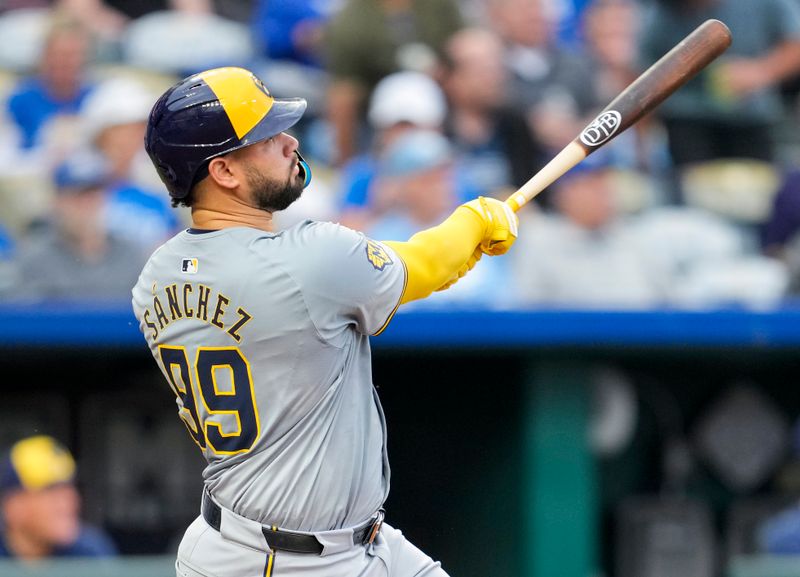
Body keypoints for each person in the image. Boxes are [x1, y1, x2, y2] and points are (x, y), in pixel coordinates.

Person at [131, 66, 518, 577]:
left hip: (297, 539)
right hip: (285, 562)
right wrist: (476, 218)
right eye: (266, 139)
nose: (290, 141)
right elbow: (427, 265)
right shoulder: (308, 258)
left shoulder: (154, 278)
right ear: (224, 172)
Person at [9, 149, 147, 301]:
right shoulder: (34, 259)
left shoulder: (129, 255)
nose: (87, 206)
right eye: (77, 197)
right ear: (57, 202)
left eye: (93, 196)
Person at [0, 435, 117, 560]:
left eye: (69, 487)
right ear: (13, 505)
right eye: (51, 490)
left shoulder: (89, 553)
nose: (68, 500)